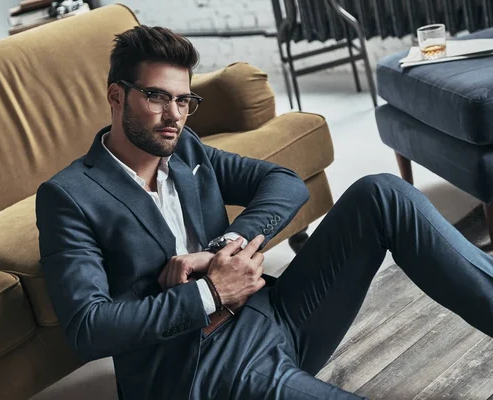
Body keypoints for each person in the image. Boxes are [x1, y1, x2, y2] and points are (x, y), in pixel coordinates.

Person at [35, 25, 493, 400]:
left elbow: (284, 183)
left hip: (275, 313)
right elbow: (87, 328)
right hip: (199, 364)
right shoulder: (70, 196)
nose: (174, 115)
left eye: (183, 101)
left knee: (382, 194)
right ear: (116, 97)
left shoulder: (186, 149)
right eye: (157, 97)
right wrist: (211, 293)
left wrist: (223, 249)